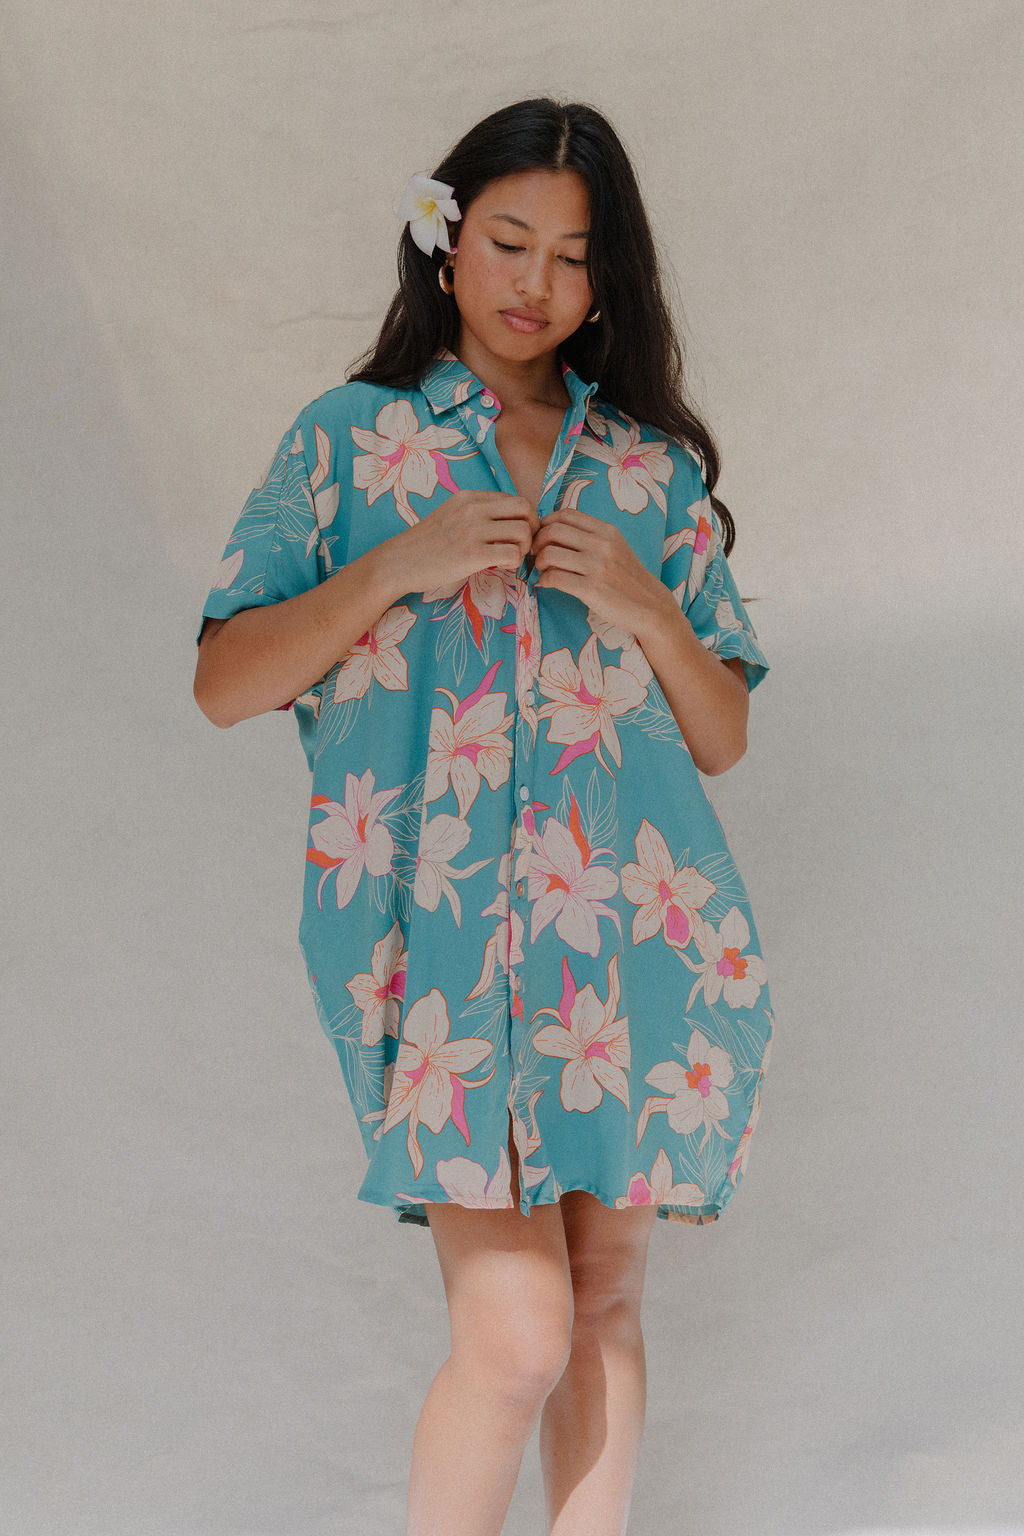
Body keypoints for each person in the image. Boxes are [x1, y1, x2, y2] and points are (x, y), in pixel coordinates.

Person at [194, 96, 775, 1536]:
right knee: (517, 1336)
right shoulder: (351, 443)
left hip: (634, 939)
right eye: (509, 241)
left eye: (574, 257)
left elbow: (720, 735)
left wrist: (645, 605)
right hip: (437, 941)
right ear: (445, 243)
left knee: (605, 1299)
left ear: (608, 279)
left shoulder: (645, 470)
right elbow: (224, 682)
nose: (536, 284)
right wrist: (398, 565)